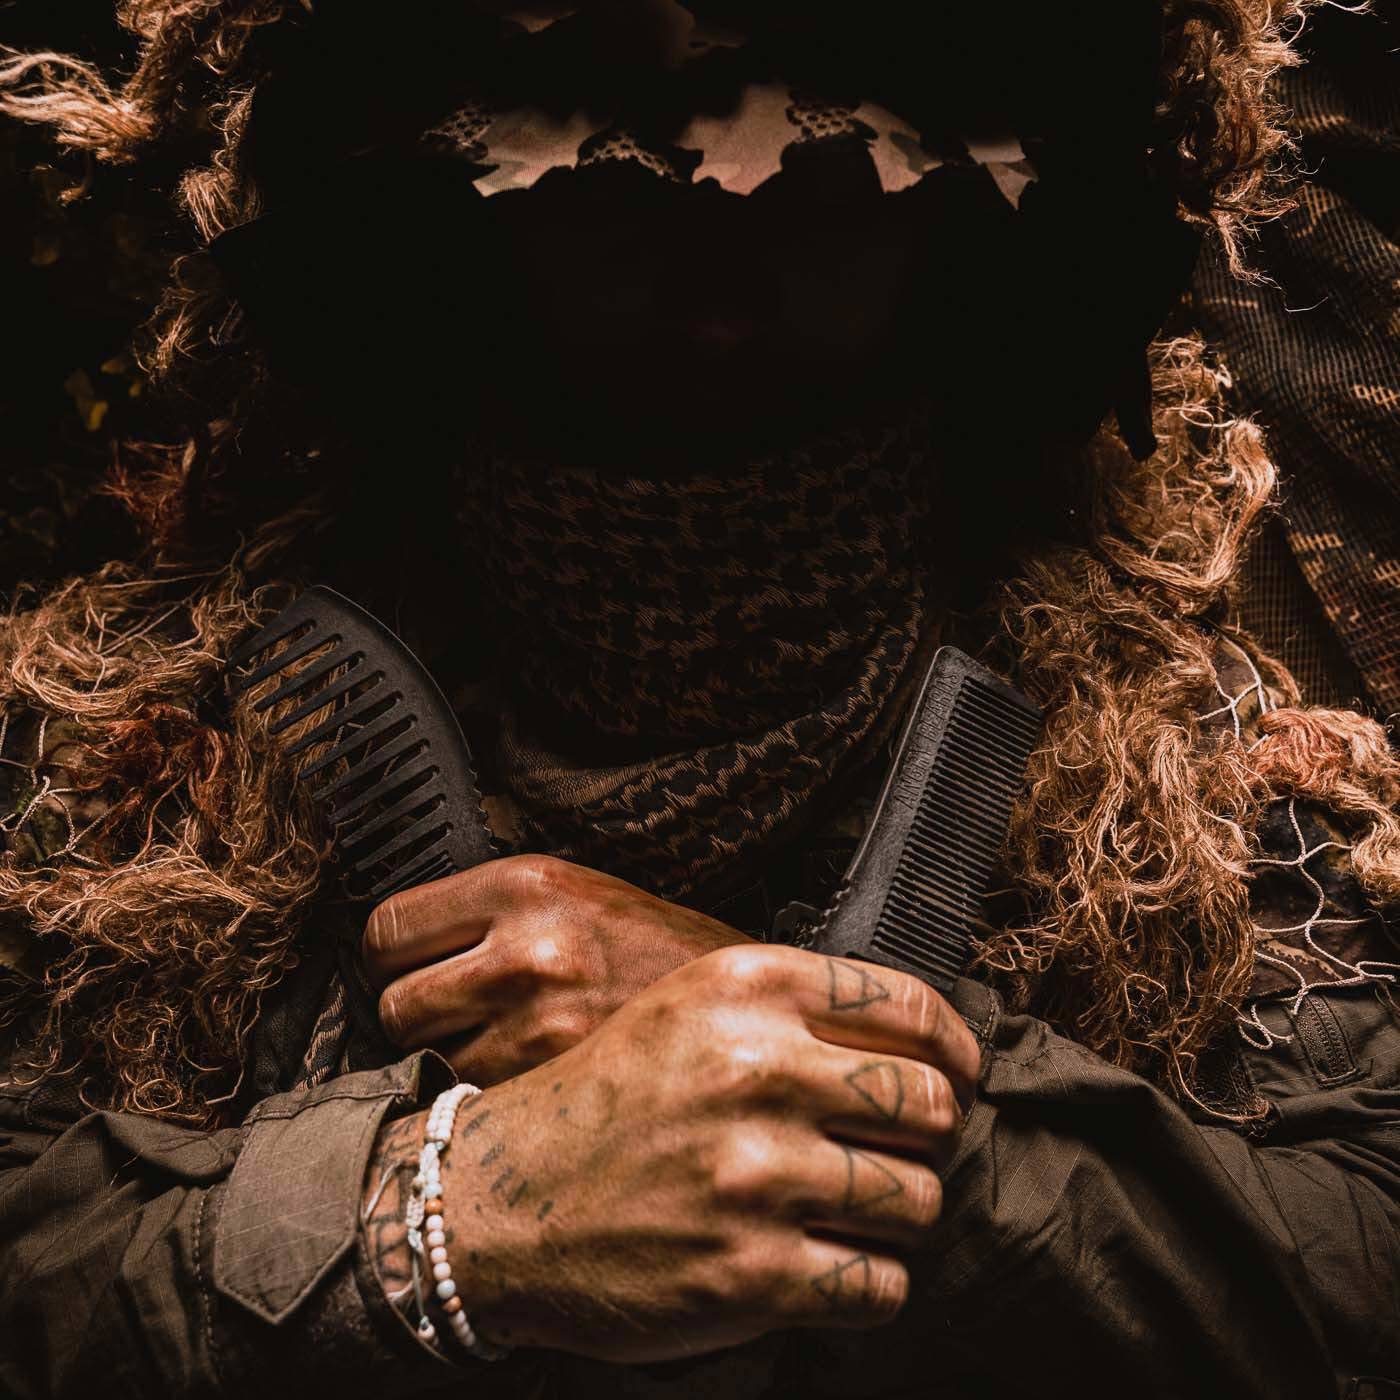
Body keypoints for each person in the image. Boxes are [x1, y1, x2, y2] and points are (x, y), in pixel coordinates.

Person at [0, 3, 1397, 1397]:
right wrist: (438, 1218)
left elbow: (1361, 1274)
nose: (720, 300)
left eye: (831, 191)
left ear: (959, 224)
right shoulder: (153, 752)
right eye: (619, 197)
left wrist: (842, 1083)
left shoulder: (1167, 762)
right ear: (455, 211)